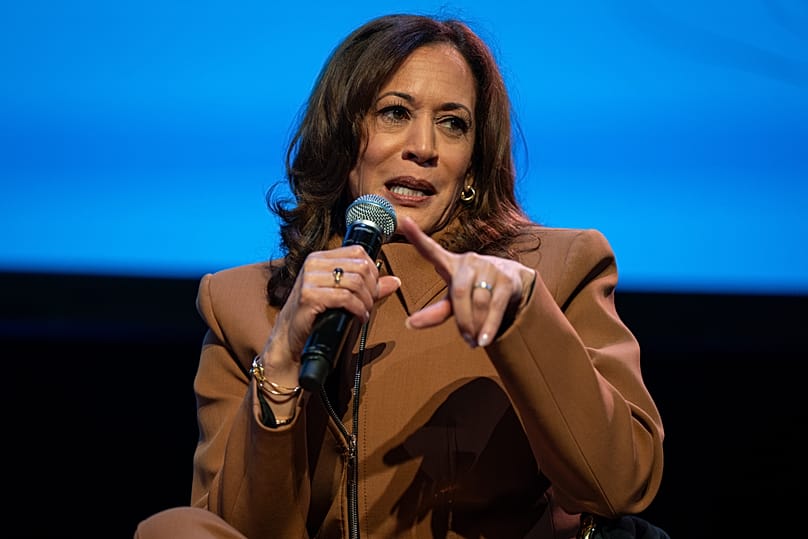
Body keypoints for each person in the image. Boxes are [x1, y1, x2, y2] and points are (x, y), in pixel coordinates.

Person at [135, 13, 665, 539]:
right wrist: (281, 362)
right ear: (342, 138)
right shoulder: (241, 305)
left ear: (472, 165)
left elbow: (618, 485)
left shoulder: (552, 270)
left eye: (453, 124)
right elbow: (237, 528)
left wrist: (525, 318)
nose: (424, 147)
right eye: (395, 113)